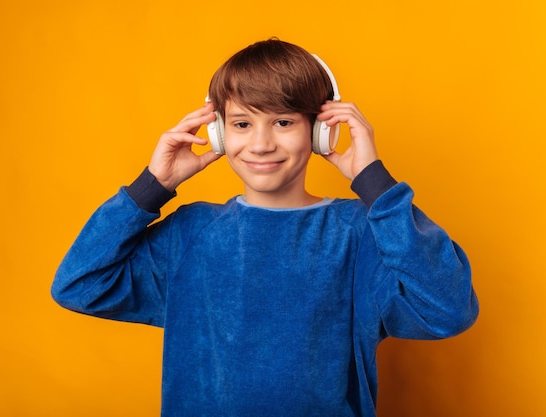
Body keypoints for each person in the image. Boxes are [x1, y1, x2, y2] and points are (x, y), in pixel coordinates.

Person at [51, 38, 479, 417]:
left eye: (283, 122)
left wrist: (375, 185)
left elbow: (448, 309)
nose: (260, 143)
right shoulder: (191, 233)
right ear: (218, 134)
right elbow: (79, 284)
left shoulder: (361, 232)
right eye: (241, 124)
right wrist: (153, 185)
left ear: (320, 131)